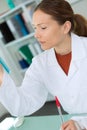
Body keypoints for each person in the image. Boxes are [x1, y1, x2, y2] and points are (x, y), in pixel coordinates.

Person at [0, 0, 87, 129]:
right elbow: (22, 106)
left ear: (65, 27)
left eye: (43, 28)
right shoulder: (40, 63)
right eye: (35, 28)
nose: (36, 35)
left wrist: (83, 123)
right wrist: (1, 76)